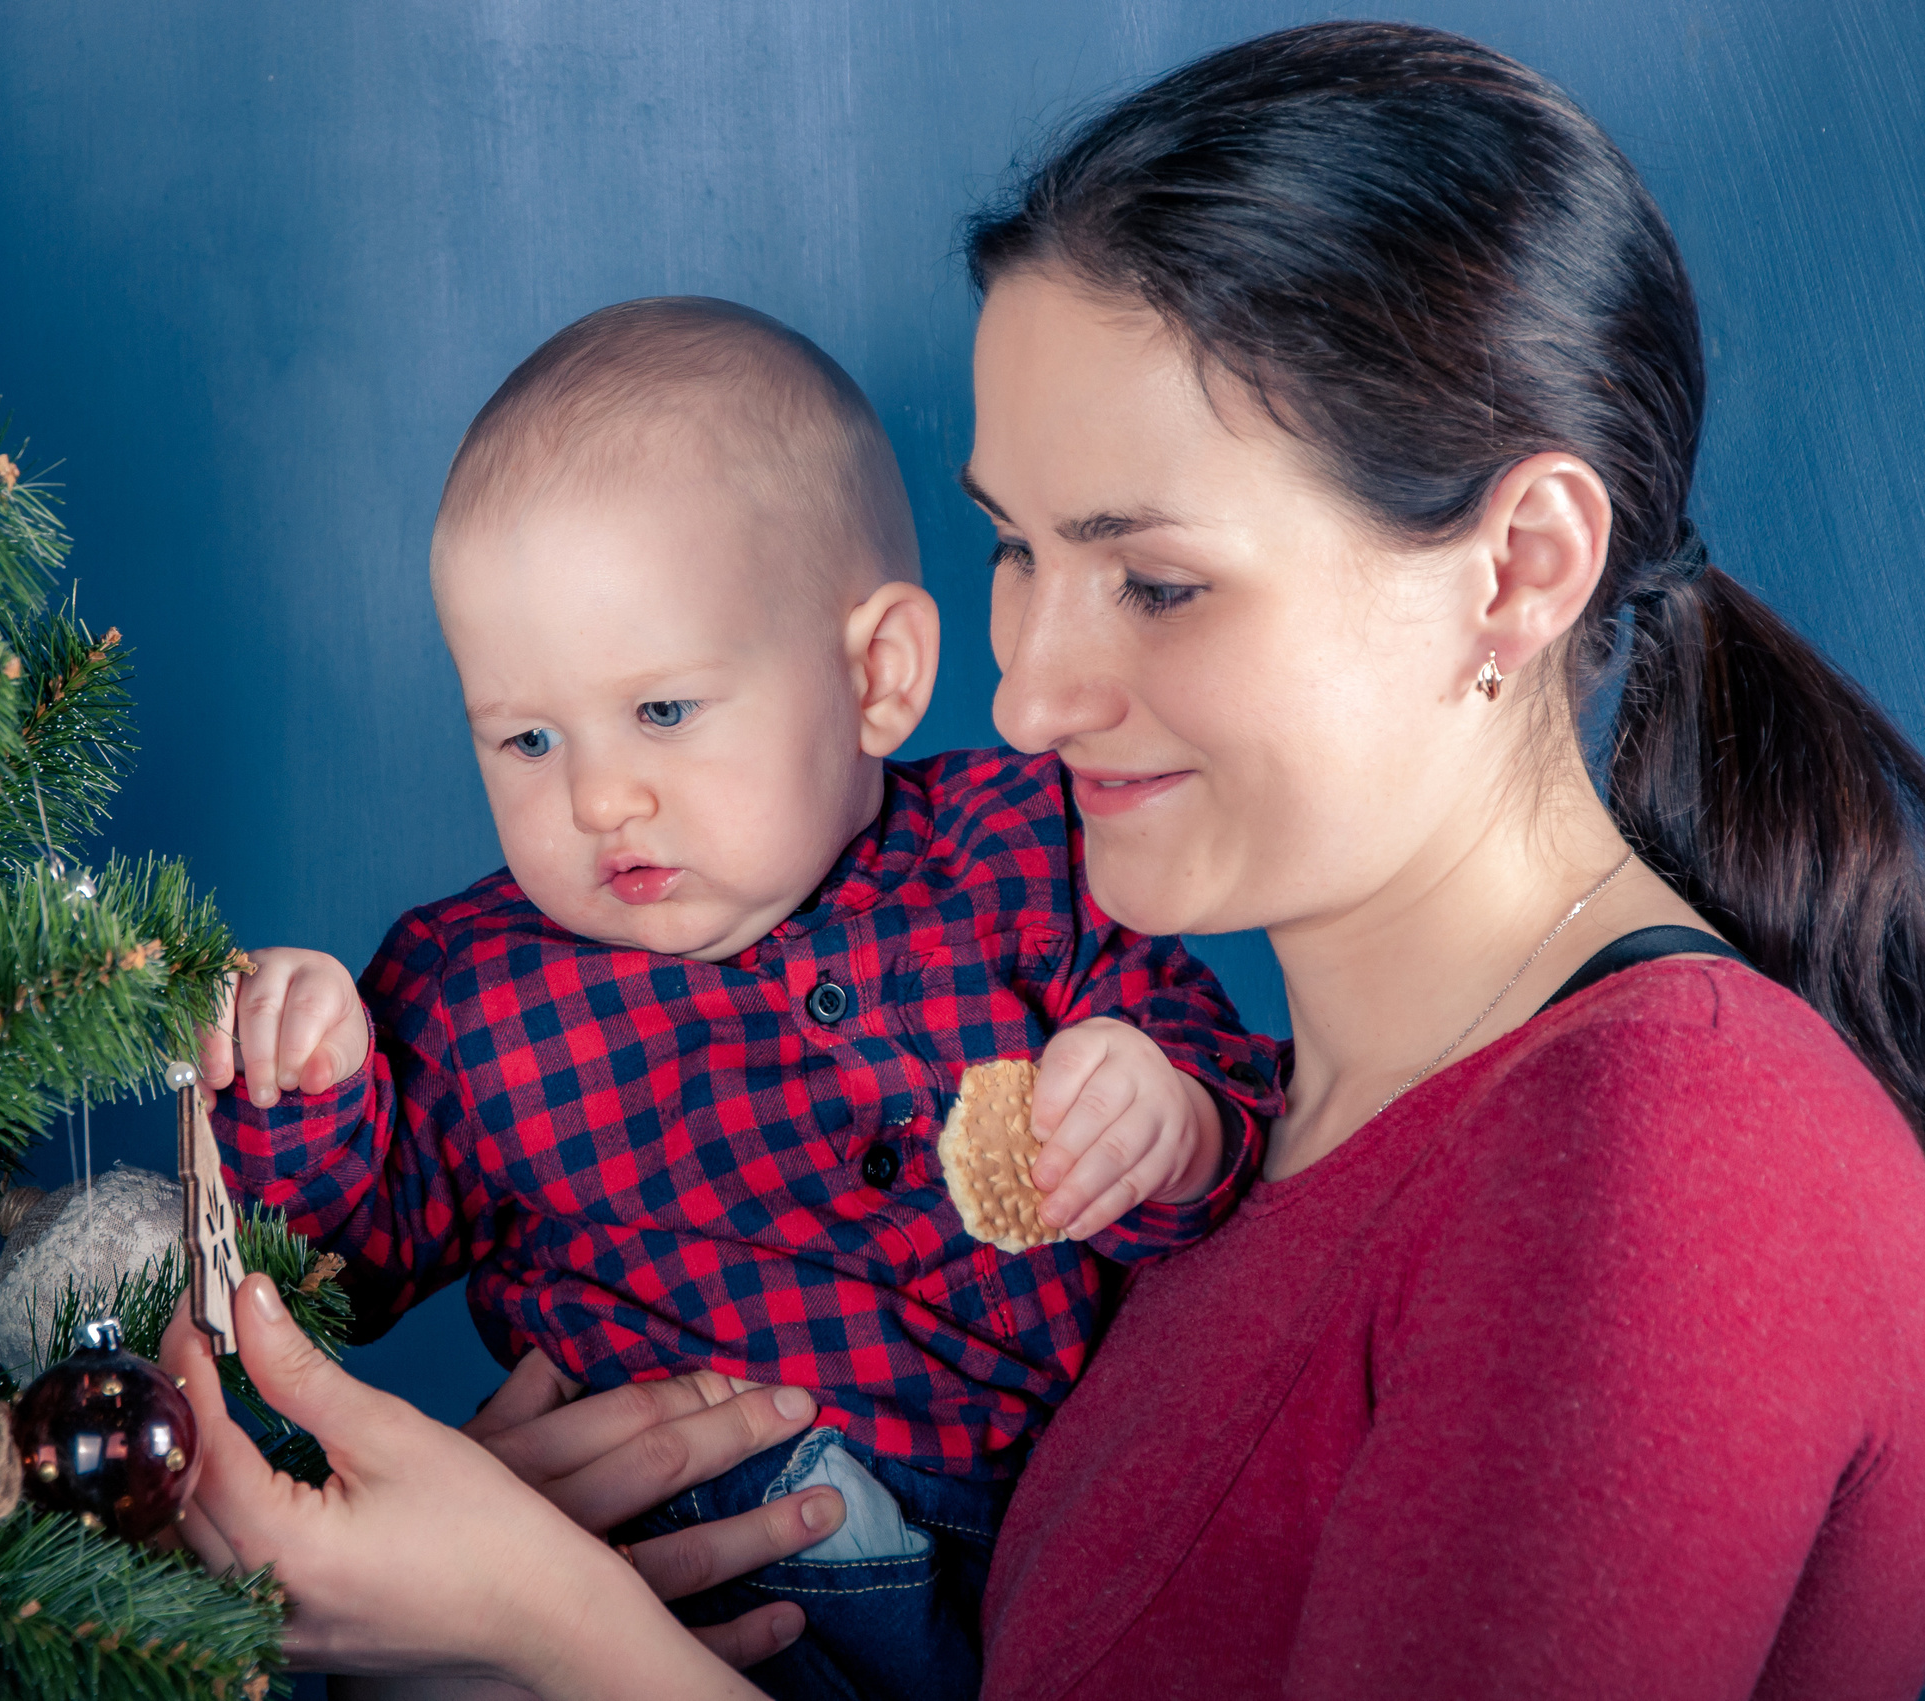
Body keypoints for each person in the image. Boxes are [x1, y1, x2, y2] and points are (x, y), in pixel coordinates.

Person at [161, 20, 1925, 1699]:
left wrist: (558, 1633)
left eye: (1154, 578)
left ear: (1519, 568)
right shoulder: (1226, 1158)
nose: (1020, 701)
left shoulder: (1670, 1154)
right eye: (1014, 549)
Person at [192, 295, 1281, 1699]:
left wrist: (1166, 1107)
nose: (598, 795)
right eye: (527, 737)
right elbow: (330, 1257)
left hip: (1039, 1540)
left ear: (874, 674)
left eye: (663, 711)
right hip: (695, 1561)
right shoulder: (471, 987)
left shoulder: (1025, 852)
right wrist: (308, 1076)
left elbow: (1237, 1092)